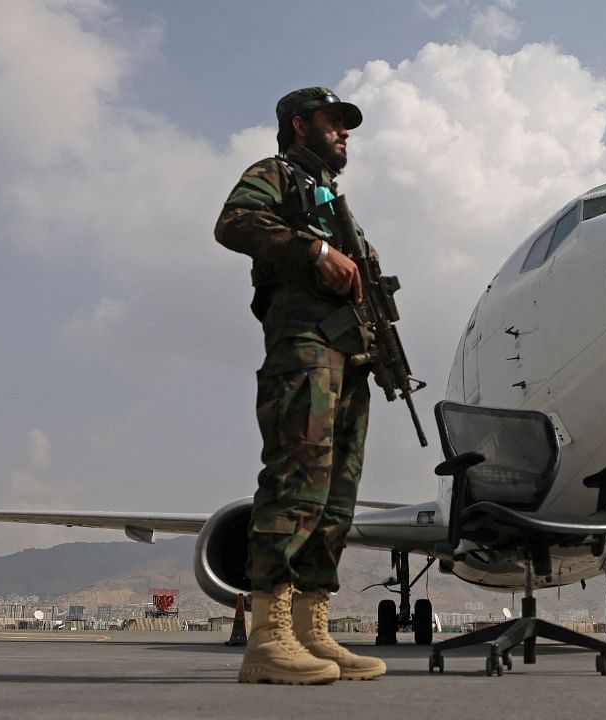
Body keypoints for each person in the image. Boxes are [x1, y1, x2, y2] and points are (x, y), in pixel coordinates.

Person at [214, 87, 386, 685]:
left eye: (346, 125)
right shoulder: (276, 175)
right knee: (297, 479)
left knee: (336, 495)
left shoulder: (335, 201)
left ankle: (312, 630)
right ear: (298, 124)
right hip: (304, 347)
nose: (344, 132)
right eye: (333, 121)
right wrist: (316, 251)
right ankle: (268, 636)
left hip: (349, 356)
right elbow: (233, 223)